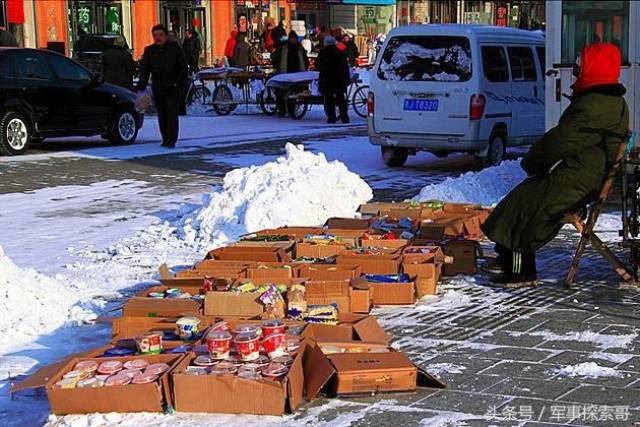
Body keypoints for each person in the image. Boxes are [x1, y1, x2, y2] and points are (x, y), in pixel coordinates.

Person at [481, 43, 630, 285]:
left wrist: (533, 161)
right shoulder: (608, 101)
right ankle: (507, 257)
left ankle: (518, 269)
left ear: (594, 69)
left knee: (525, 206)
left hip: (578, 180)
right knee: (526, 198)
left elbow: (560, 141)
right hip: (583, 177)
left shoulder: (595, 105)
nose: (575, 71)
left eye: (580, 66)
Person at [137, 24, 188, 148]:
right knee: (162, 113)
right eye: (155, 35)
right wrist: (141, 86)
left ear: (166, 36)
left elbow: (183, 67)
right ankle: (165, 138)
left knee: (171, 113)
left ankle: (171, 140)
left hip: (172, 86)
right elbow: (145, 69)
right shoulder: (150, 50)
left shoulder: (174, 48)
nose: (158, 38)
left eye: (160, 35)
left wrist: (178, 83)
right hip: (158, 86)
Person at [271, 31, 309, 117]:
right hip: (285, 72)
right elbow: (276, 58)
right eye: (292, 38)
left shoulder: (299, 48)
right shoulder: (284, 47)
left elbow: (304, 59)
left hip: (296, 73)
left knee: (293, 93)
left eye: (294, 38)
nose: (294, 40)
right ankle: (283, 110)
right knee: (282, 92)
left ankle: (291, 110)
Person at [316, 35, 350, 124]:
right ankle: (344, 117)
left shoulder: (323, 53)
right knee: (341, 99)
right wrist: (346, 79)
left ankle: (331, 117)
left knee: (329, 100)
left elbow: (318, 66)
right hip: (339, 80)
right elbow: (345, 67)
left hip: (327, 80)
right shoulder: (340, 52)